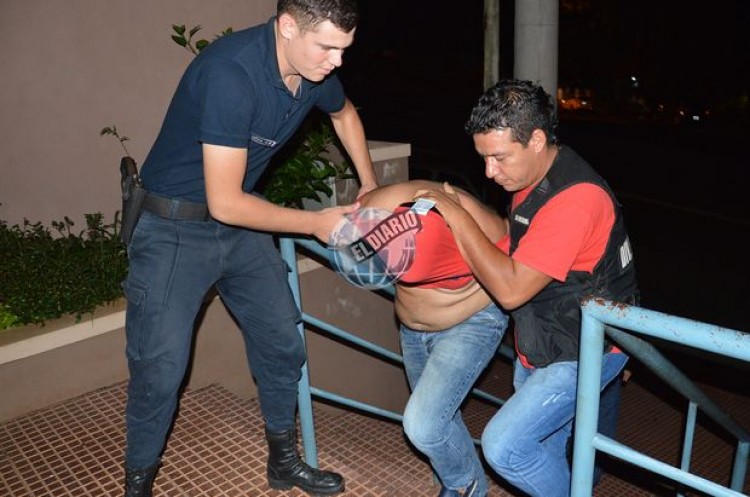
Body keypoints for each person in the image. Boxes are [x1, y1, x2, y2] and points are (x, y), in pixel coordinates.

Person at [121, 1, 377, 496]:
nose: (337, 61)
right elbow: (225, 202)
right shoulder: (231, 75)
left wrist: (368, 183)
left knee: (282, 344)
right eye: (327, 47)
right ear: (287, 27)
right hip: (174, 228)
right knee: (161, 368)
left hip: (239, 224)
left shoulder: (314, 71)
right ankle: (138, 484)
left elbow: (344, 114)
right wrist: (315, 223)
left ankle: (283, 463)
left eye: (344, 49)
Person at [416, 79, 639, 497]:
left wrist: (457, 217)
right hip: (543, 336)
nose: (489, 172)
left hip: (584, 349)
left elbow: (512, 291)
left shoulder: (575, 199)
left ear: (536, 140)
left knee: (506, 446)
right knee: (544, 450)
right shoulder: (531, 177)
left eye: (499, 157)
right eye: (483, 158)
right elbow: (521, 244)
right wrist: (463, 207)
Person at [355, 180, 509, 497]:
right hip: (412, 331)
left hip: (470, 323)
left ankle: (466, 484)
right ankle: (456, 482)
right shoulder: (376, 209)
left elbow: (514, 272)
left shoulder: (477, 217)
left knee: (423, 425)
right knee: (440, 416)